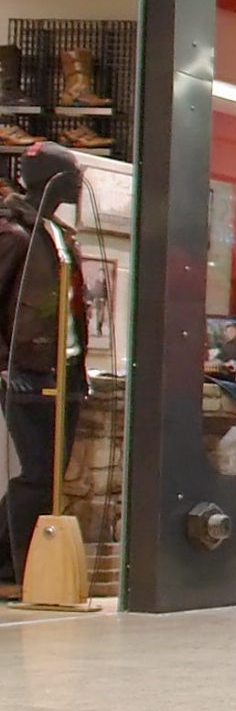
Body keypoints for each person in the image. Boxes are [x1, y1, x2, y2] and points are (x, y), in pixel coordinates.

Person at [0, 144, 87, 583]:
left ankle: (25, 566)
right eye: (71, 173)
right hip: (26, 369)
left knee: (52, 474)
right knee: (37, 471)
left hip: (64, 367)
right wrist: (6, 363)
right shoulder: (14, 234)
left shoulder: (58, 234)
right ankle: (13, 564)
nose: (78, 182)